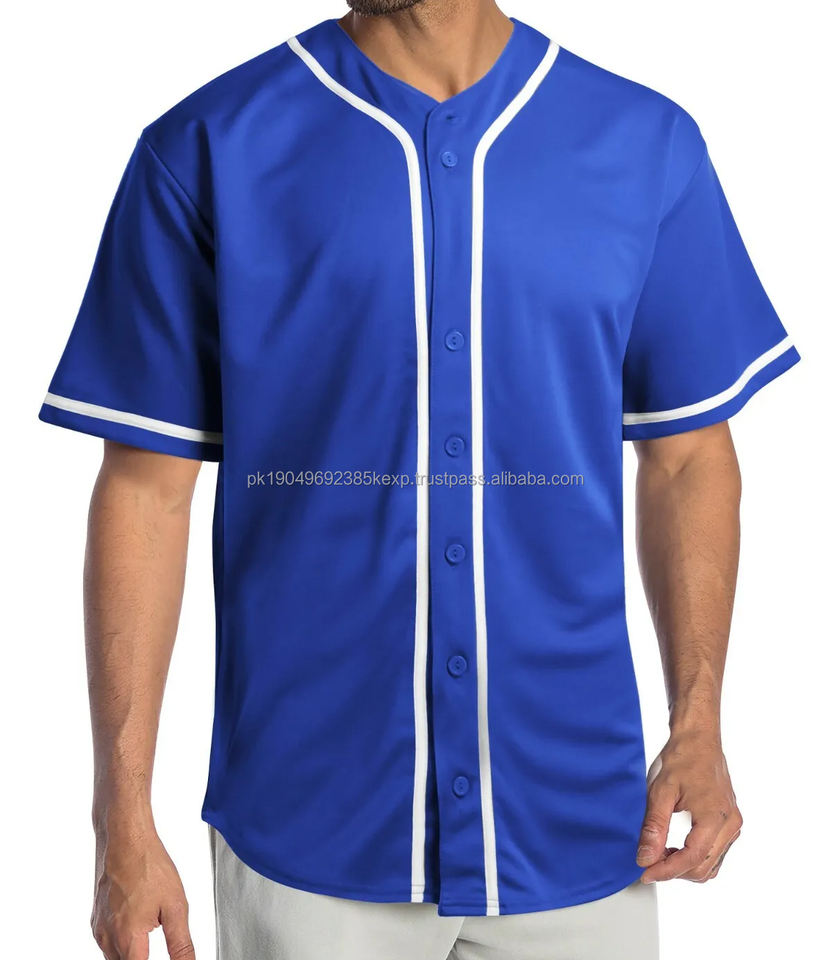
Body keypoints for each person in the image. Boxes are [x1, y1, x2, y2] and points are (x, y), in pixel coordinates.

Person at [40, 1, 799, 958]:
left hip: (581, 823)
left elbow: (688, 457)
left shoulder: (645, 145)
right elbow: (146, 492)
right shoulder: (207, 148)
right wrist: (121, 816)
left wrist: (699, 722)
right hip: (309, 832)